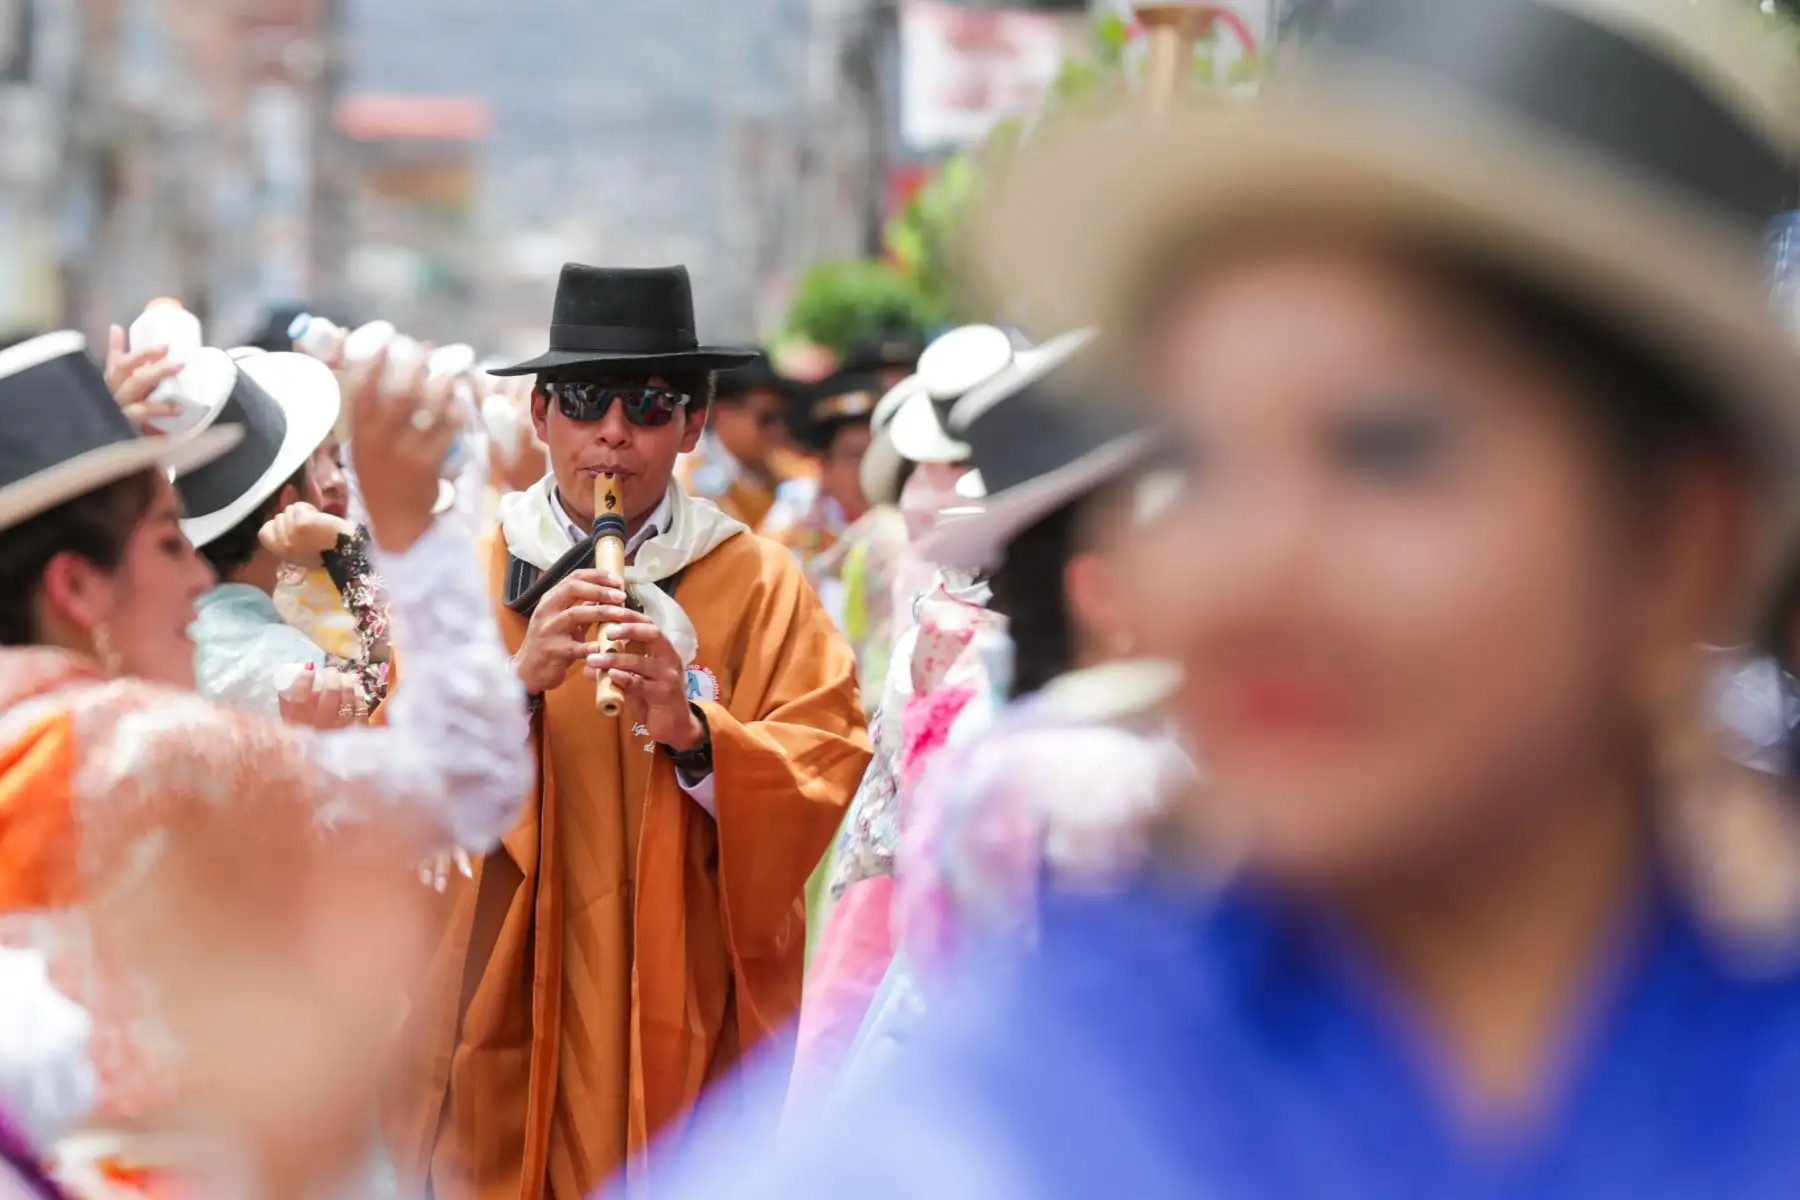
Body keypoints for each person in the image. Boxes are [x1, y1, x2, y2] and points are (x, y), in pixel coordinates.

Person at [649, 0, 1800, 1194]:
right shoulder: (999, 1135)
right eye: (1192, 462)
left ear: (1688, 534)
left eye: (1389, 446)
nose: (1249, 568)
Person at [380, 263, 871, 1200]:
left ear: (693, 425)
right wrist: (516, 689)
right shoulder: (465, 578)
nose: (613, 432)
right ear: (540, 416)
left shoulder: (759, 582)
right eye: (584, 401)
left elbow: (825, 759)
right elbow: (388, 785)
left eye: (649, 405)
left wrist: (696, 735)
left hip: (680, 1003)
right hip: (505, 1004)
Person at [0, 331, 531, 1155]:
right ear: (75, 585)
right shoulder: (136, 752)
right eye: (168, 542)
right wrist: (406, 537)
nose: (196, 577)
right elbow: (471, 774)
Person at [175, 350, 364, 721]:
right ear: (288, 504)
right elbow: (394, 707)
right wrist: (353, 550)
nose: (330, 483)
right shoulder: (285, 665)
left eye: (338, 460)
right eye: (312, 466)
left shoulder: (176, 630)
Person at [761, 371, 881, 626]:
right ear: (824, 467)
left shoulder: (907, 514)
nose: (869, 470)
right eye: (856, 457)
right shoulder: (793, 522)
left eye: (876, 456)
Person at [677, 353, 816, 528]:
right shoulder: (686, 479)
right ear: (723, 415)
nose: (777, 431)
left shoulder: (787, 468)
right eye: (766, 419)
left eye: (782, 418)